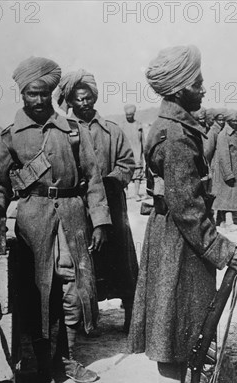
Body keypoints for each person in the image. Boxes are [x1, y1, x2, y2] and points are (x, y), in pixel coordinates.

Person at [128, 45, 237, 383]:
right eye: (197, 83)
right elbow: (187, 206)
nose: (203, 89)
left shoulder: (173, 126)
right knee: (173, 320)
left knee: (180, 318)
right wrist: (222, 250)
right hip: (181, 240)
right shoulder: (177, 134)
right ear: (179, 89)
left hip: (177, 237)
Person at [0, 56, 111, 383]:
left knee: (73, 288)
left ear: (53, 92)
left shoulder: (73, 130)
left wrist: (99, 222)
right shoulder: (10, 137)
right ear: (22, 94)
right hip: (33, 219)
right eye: (31, 94)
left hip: (72, 217)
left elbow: (94, 180)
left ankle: (66, 360)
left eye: (43, 93)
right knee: (39, 293)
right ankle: (41, 365)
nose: (38, 100)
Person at [58, 69, 138, 332]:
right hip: (80, 206)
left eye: (88, 98)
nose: (84, 103)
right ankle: (84, 319)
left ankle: (130, 315)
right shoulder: (63, 132)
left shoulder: (112, 131)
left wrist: (113, 181)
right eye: (78, 99)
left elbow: (128, 162)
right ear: (69, 101)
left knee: (122, 262)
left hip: (113, 206)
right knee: (84, 261)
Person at [212, 109, 237, 228]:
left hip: (234, 171)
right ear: (227, 121)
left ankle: (221, 221)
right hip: (228, 173)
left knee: (227, 197)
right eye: (233, 121)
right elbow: (223, 156)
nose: (235, 123)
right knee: (228, 197)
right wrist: (228, 174)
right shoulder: (224, 135)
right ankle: (229, 221)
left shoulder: (233, 134)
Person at [120, 104, 146, 200]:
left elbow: (143, 140)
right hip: (126, 153)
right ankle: (126, 193)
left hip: (137, 153)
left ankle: (136, 193)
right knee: (125, 173)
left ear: (134, 114)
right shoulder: (122, 126)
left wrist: (144, 151)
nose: (129, 117)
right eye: (127, 115)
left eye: (130, 115)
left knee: (138, 174)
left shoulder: (138, 125)